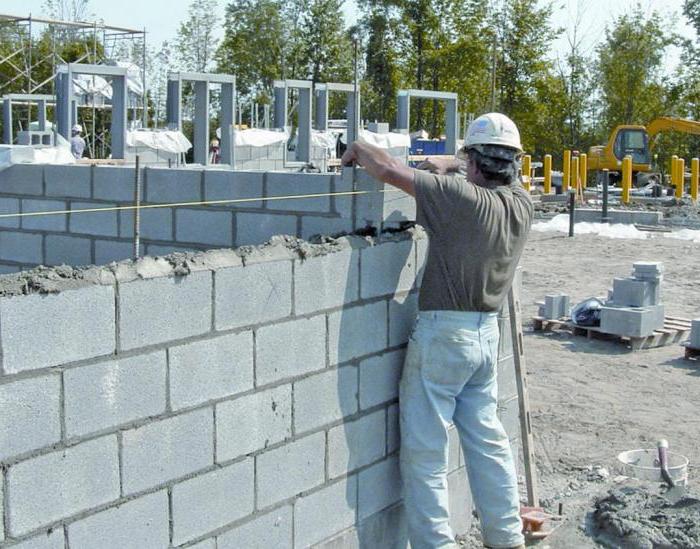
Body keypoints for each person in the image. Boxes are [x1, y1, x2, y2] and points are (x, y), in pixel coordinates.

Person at [341, 113, 533, 549]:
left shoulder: (459, 199)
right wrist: (455, 161)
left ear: (474, 162)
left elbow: (388, 169)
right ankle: (507, 537)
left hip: (444, 336)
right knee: (488, 444)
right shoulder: (522, 203)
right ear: (514, 163)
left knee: (426, 452)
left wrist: (357, 147)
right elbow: (486, 172)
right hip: (486, 337)